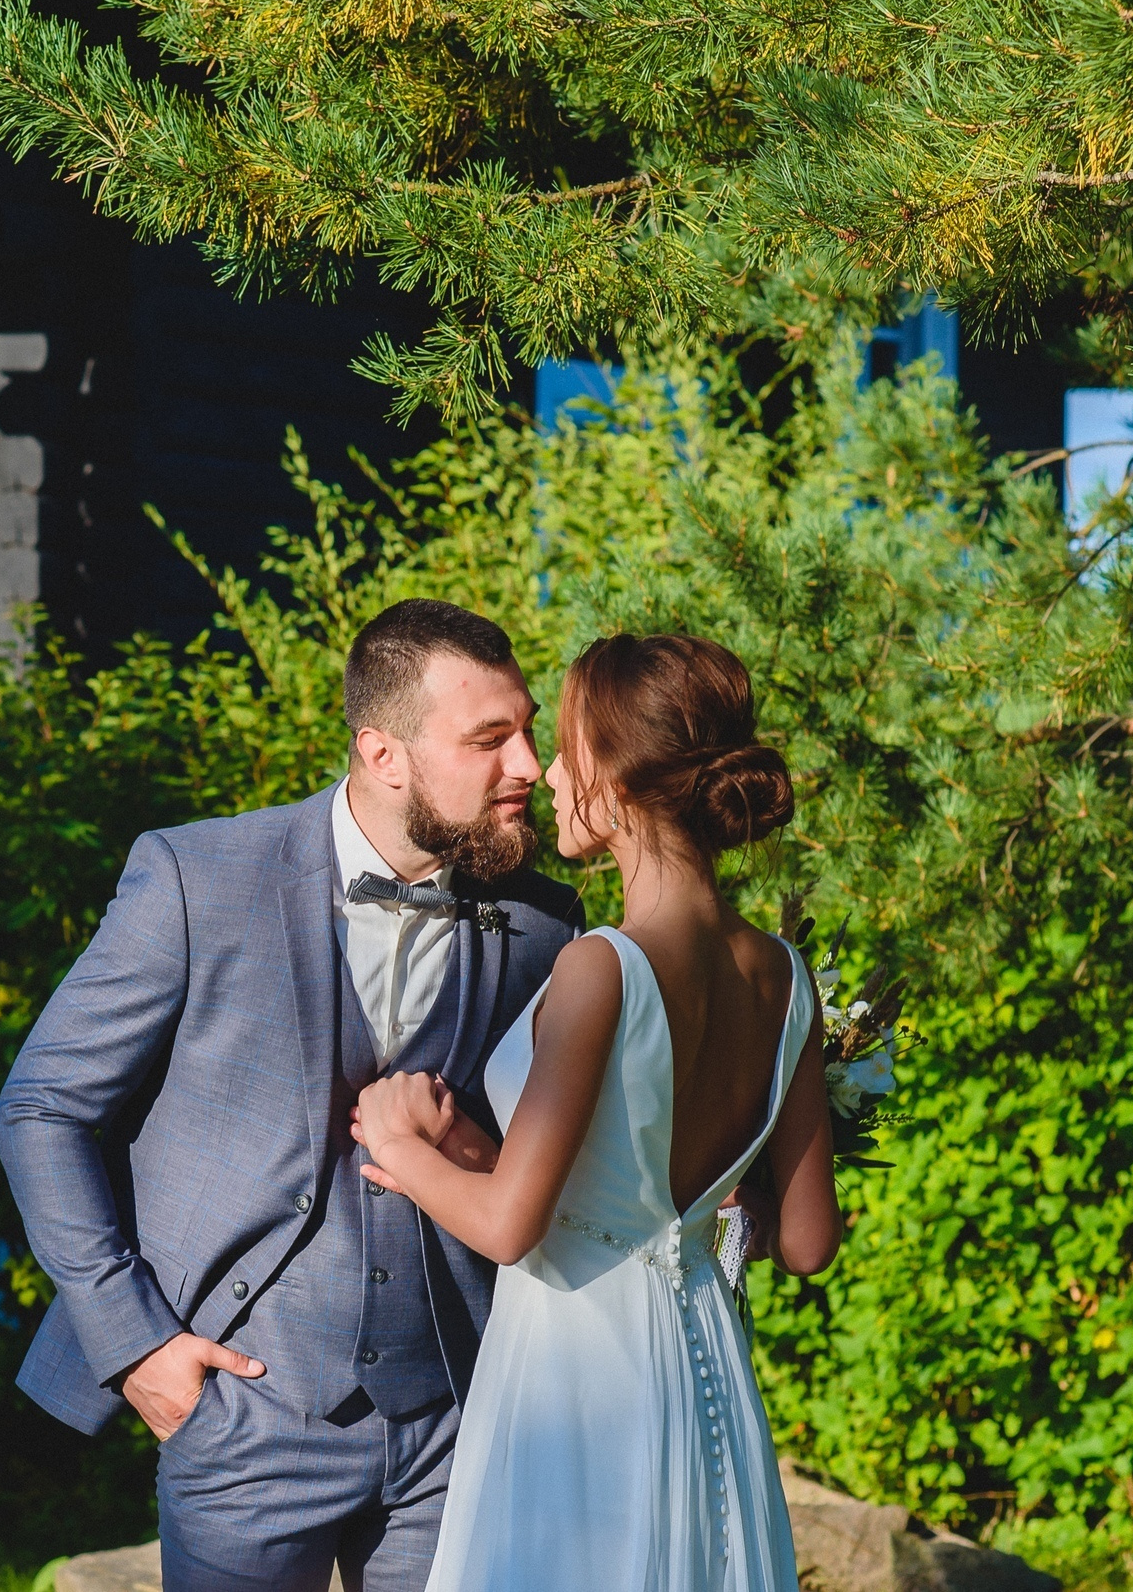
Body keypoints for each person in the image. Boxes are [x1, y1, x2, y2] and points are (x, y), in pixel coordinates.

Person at [0, 598, 585, 1591]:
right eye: (490, 737)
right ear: (382, 752)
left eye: (526, 729)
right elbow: (43, 1107)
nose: (528, 762)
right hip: (242, 1410)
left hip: (456, 1413)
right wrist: (138, 1344)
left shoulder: (544, 923)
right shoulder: (197, 877)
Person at [354, 632, 841, 1592]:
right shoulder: (787, 979)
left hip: (580, 1372)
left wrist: (399, 1143)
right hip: (707, 1367)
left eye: (570, 744)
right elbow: (808, 1241)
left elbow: (509, 1226)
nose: (550, 770)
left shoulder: (600, 966)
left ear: (616, 777)